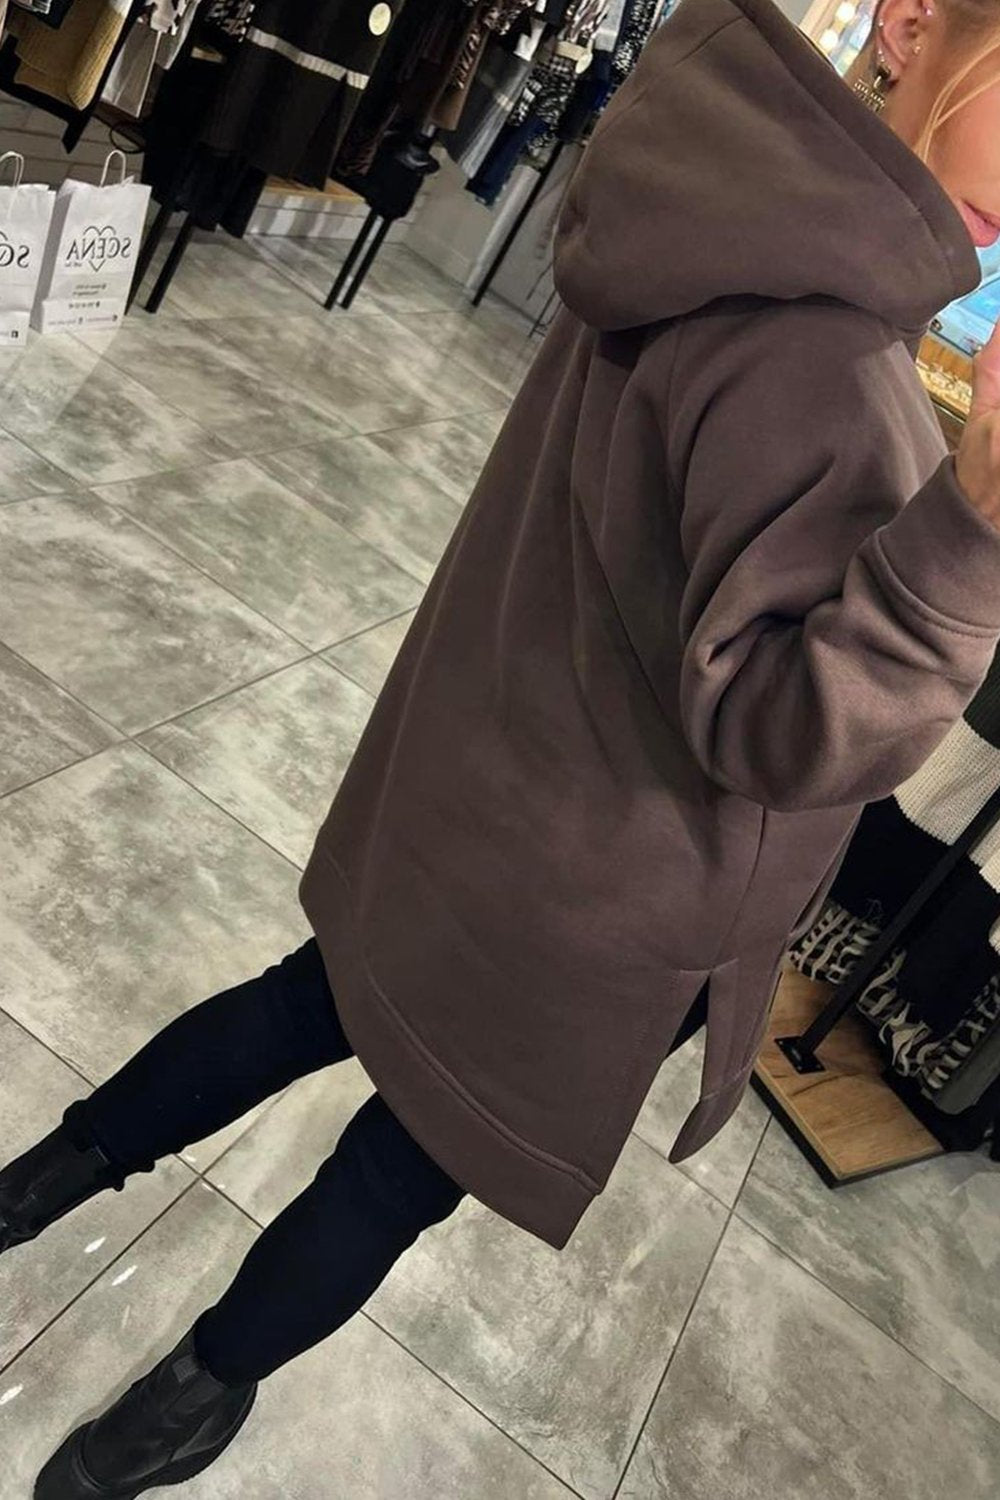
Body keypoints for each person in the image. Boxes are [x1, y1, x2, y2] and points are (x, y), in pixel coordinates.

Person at [6, 0, 1000, 1492]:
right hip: (607, 892)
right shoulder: (826, 351)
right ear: (916, 24)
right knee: (402, 1166)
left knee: (303, 1005)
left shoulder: (707, 183)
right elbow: (782, 735)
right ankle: (162, 1423)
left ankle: (30, 1193)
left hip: (477, 771)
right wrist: (966, 536)